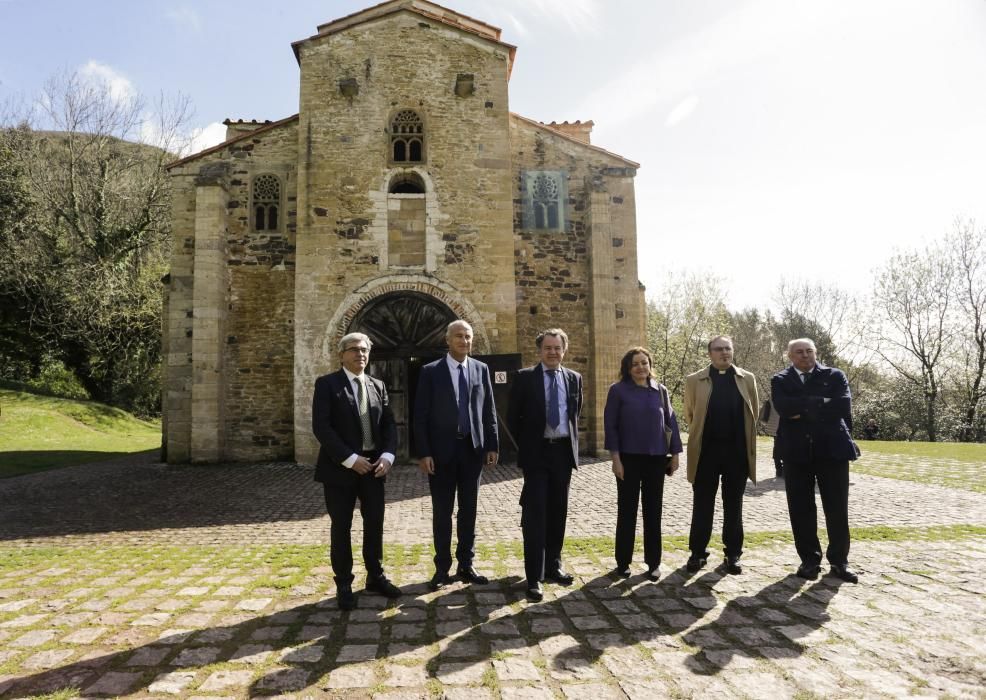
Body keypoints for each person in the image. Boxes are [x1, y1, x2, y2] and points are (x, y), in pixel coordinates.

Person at [311, 332, 401, 610]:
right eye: (354, 350)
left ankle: (375, 576)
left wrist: (387, 455)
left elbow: (388, 425)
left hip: (374, 468)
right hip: (340, 469)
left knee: (374, 524)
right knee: (342, 527)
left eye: (364, 350)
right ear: (342, 354)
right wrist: (350, 459)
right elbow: (322, 427)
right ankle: (344, 583)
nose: (360, 354)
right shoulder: (327, 385)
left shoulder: (378, 385)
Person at [414, 320, 499, 591]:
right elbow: (420, 416)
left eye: (468, 337)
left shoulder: (481, 369)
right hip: (440, 454)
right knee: (442, 512)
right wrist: (424, 452)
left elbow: (489, 410)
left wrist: (492, 444)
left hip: (472, 451)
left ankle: (467, 564)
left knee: (469, 511)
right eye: (459, 336)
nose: (464, 341)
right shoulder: (430, 372)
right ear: (448, 340)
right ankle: (442, 567)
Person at [772, 338, 859, 583]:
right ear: (789, 355)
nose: (805, 355)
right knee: (801, 509)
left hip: (832, 450)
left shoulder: (835, 375)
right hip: (796, 452)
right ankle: (810, 561)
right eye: (799, 352)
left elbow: (842, 405)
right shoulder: (780, 380)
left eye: (809, 351)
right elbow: (784, 408)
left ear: (816, 353)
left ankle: (840, 561)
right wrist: (821, 402)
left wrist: (803, 408)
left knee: (837, 508)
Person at [508, 328, 583, 602]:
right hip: (537, 455)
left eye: (557, 348)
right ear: (539, 351)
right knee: (535, 514)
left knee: (557, 512)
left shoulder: (574, 379)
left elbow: (575, 414)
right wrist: (528, 447)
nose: (552, 352)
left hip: (563, 453)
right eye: (548, 348)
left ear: (564, 350)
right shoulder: (525, 378)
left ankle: (554, 565)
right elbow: (513, 418)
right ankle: (534, 576)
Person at [604, 346, 683, 581]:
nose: (640, 367)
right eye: (635, 364)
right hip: (628, 459)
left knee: (653, 511)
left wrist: (675, 454)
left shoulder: (661, 391)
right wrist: (615, 459)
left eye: (644, 363)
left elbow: (671, 423)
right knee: (627, 511)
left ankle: (653, 563)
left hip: (656, 459)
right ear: (628, 368)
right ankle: (623, 562)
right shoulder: (618, 391)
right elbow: (611, 427)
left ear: (650, 366)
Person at [683, 336, 759, 575]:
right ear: (710, 354)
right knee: (702, 505)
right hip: (706, 453)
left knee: (734, 505)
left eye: (727, 348)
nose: (724, 353)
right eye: (718, 349)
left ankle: (733, 554)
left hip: (737, 454)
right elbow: (690, 415)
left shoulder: (748, 379)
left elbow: (753, 413)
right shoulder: (694, 380)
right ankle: (697, 553)